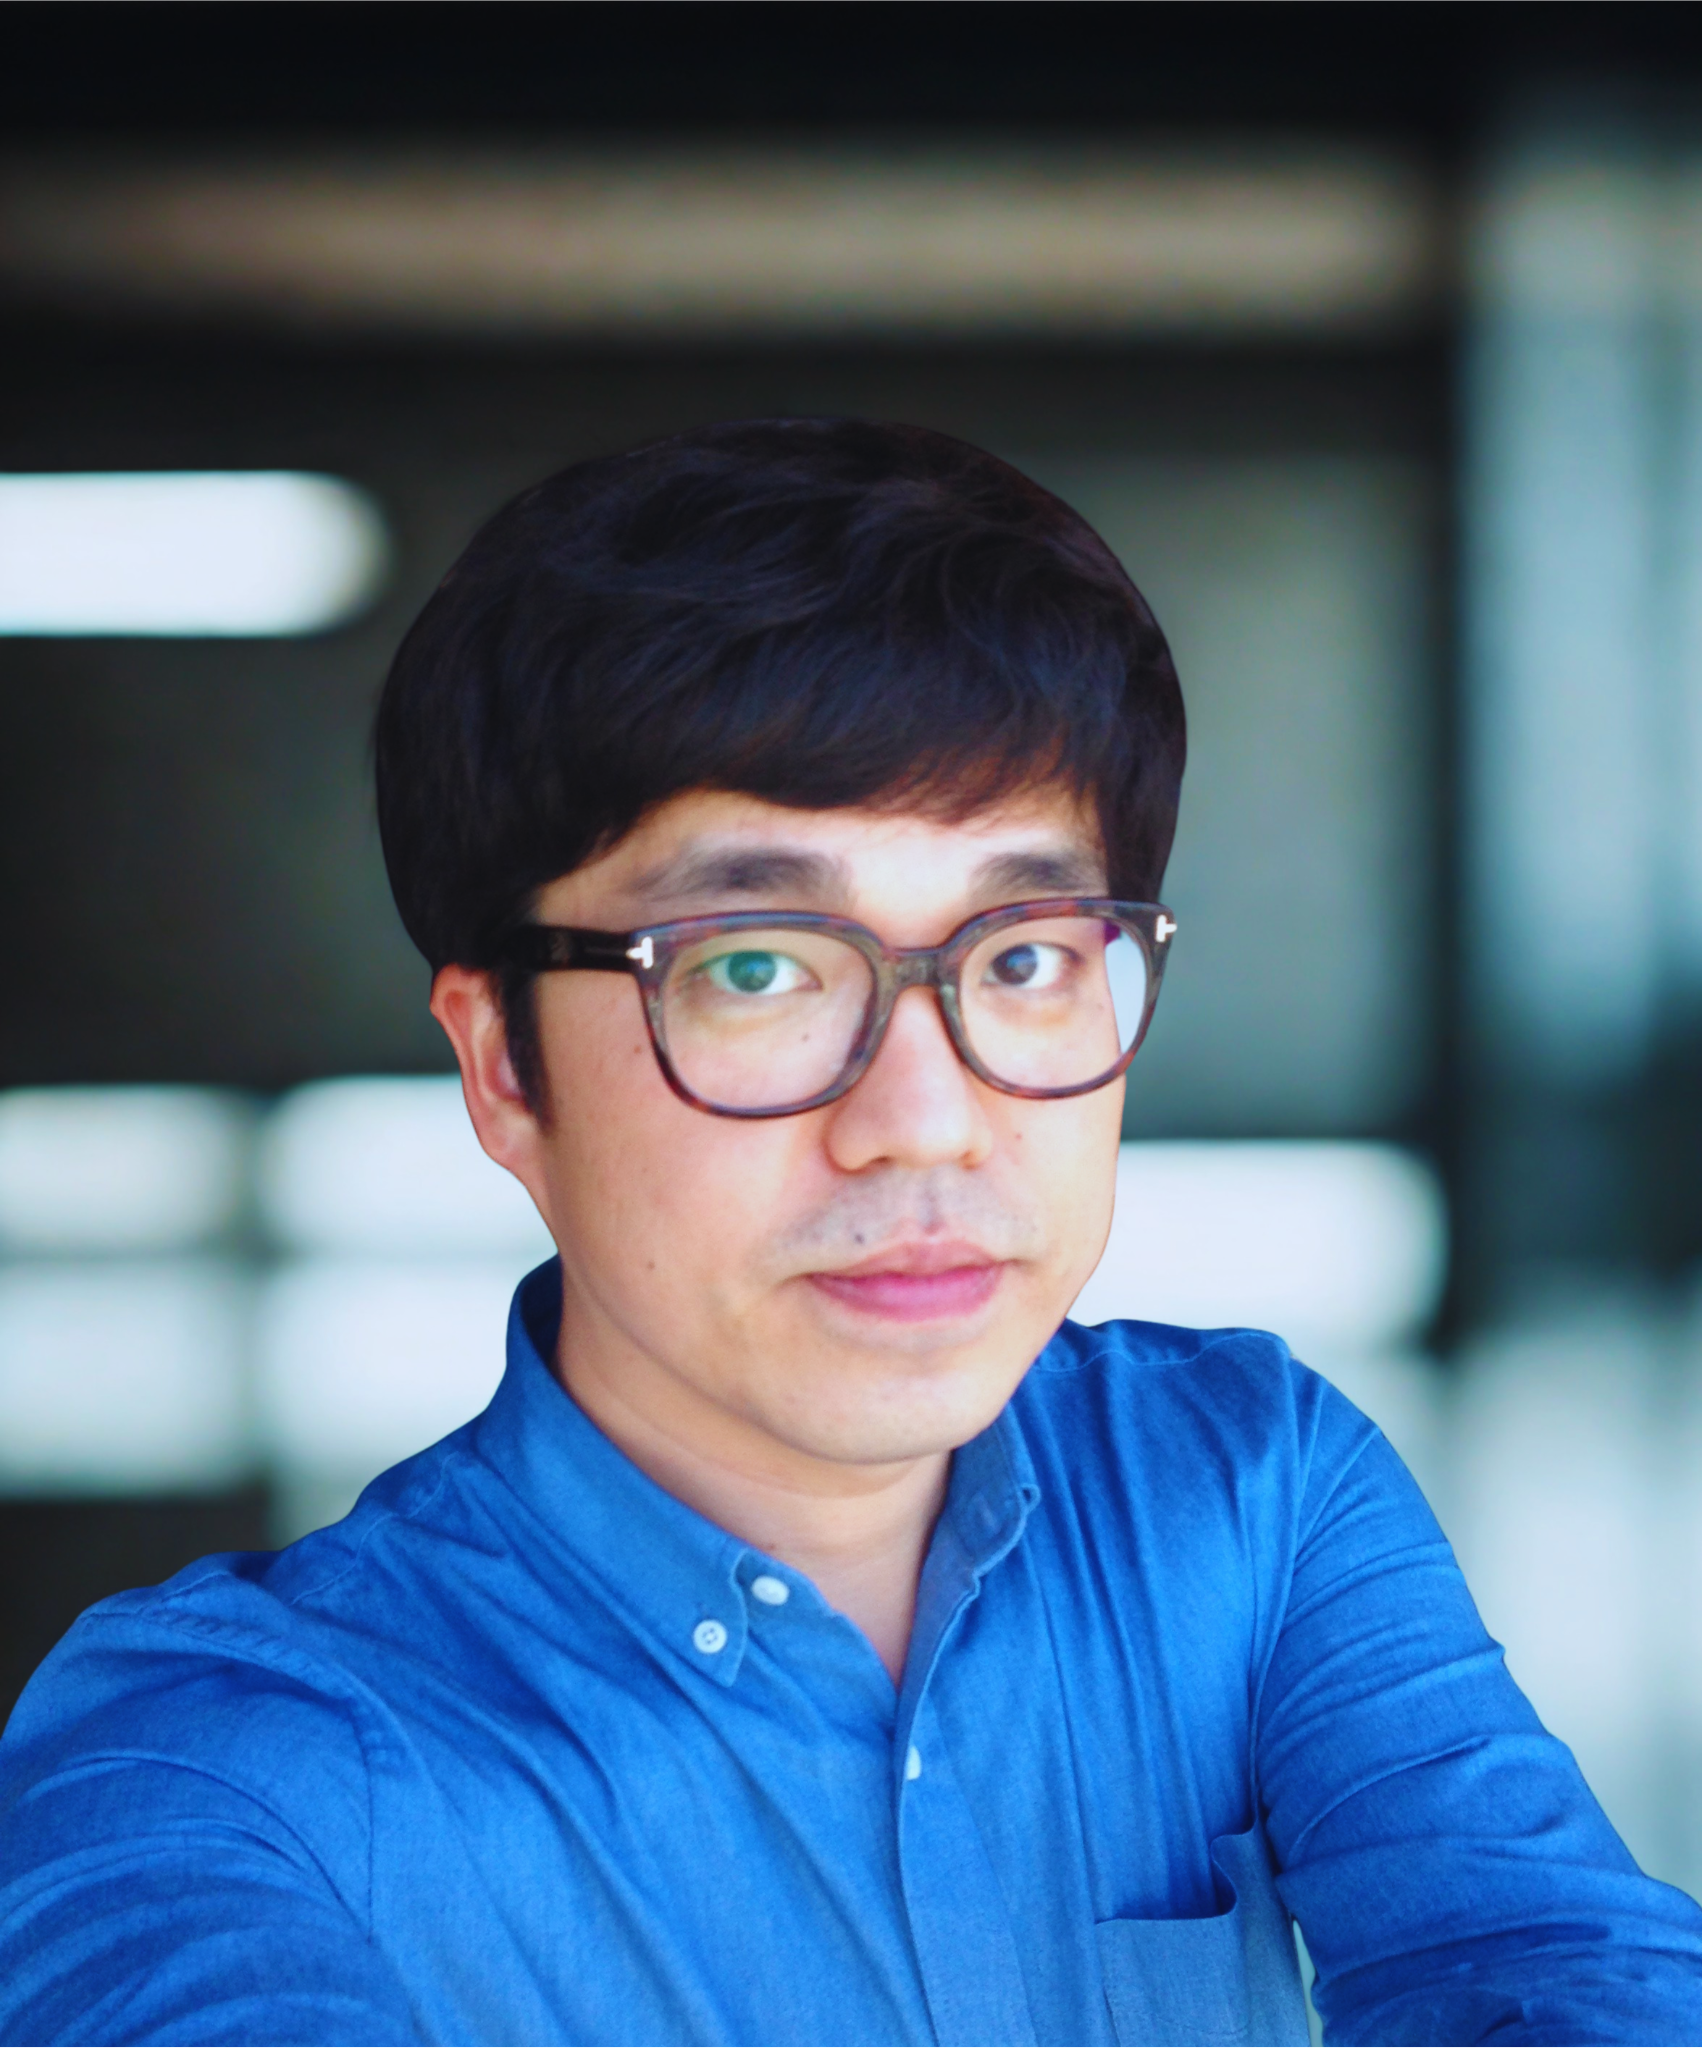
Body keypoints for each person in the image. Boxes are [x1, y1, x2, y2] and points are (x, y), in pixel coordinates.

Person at [1, 419, 1698, 2048]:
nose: (924, 1114)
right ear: (505, 1062)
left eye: (1023, 954)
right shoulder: (222, 1768)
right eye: (755, 968)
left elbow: (1537, 1963)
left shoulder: (1244, 1497)